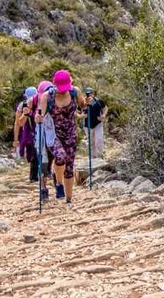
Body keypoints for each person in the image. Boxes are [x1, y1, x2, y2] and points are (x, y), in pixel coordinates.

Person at [41, 70, 86, 205]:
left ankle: (68, 199)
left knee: (69, 167)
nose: (63, 91)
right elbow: (40, 114)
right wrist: (38, 117)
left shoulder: (74, 92)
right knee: (60, 156)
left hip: (71, 134)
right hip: (54, 135)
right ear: (55, 85)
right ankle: (58, 184)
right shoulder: (47, 96)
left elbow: (82, 104)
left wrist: (86, 104)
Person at [14, 85, 41, 183]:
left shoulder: (41, 102)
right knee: (32, 154)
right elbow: (19, 123)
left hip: (34, 131)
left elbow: (17, 124)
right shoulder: (23, 106)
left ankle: (35, 176)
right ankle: (36, 175)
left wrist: (16, 139)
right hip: (29, 132)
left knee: (36, 153)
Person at [84, 87, 108, 159]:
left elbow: (105, 108)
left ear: (93, 93)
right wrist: (82, 115)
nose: (89, 95)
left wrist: (103, 115)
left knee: (99, 139)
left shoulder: (98, 101)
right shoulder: (84, 102)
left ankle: (99, 156)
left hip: (98, 123)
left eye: (91, 93)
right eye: (87, 93)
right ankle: (92, 157)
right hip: (87, 125)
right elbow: (79, 110)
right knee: (91, 141)